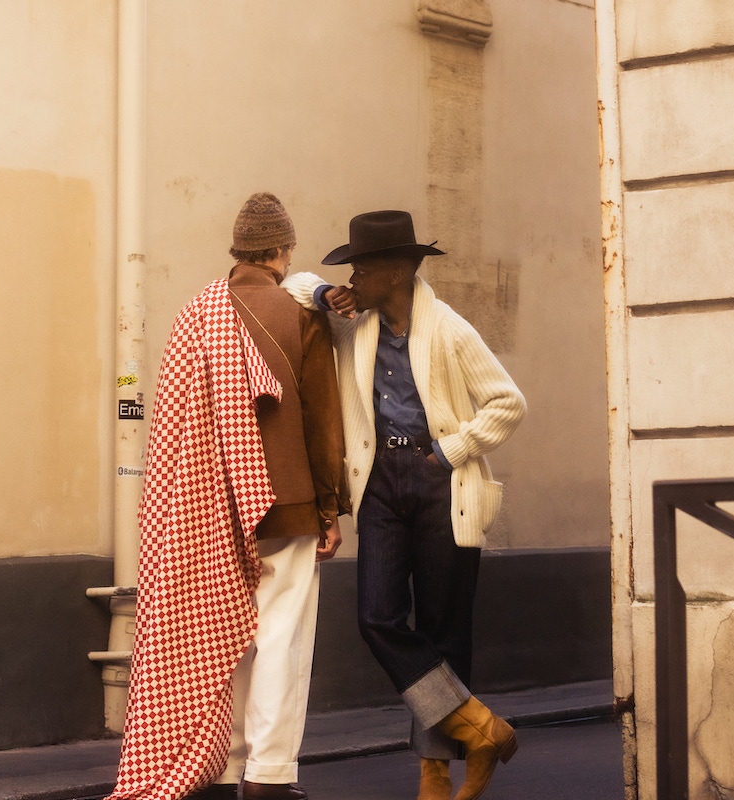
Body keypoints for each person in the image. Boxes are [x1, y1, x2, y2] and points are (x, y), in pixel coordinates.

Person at [108, 193, 349, 800]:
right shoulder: (302, 317)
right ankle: (269, 772)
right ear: (280, 251)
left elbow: (174, 421)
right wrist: (329, 509)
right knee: (280, 634)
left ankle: (224, 764)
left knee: (225, 634)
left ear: (238, 251)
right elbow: (323, 424)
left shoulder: (196, 314)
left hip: (207, 502)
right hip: (286, 505)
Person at [282, 210, 526, 800]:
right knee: (378, 617)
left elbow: (507, 403)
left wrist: (449, 452)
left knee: (445, 629)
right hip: (381, 485)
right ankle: (481, 727)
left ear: (395, 272)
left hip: (440, 479)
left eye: (361, 270)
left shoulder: (450, 331)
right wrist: (321, 292)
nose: (353, 280)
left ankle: (436, 774)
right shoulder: (355, 326)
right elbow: (292, 286)